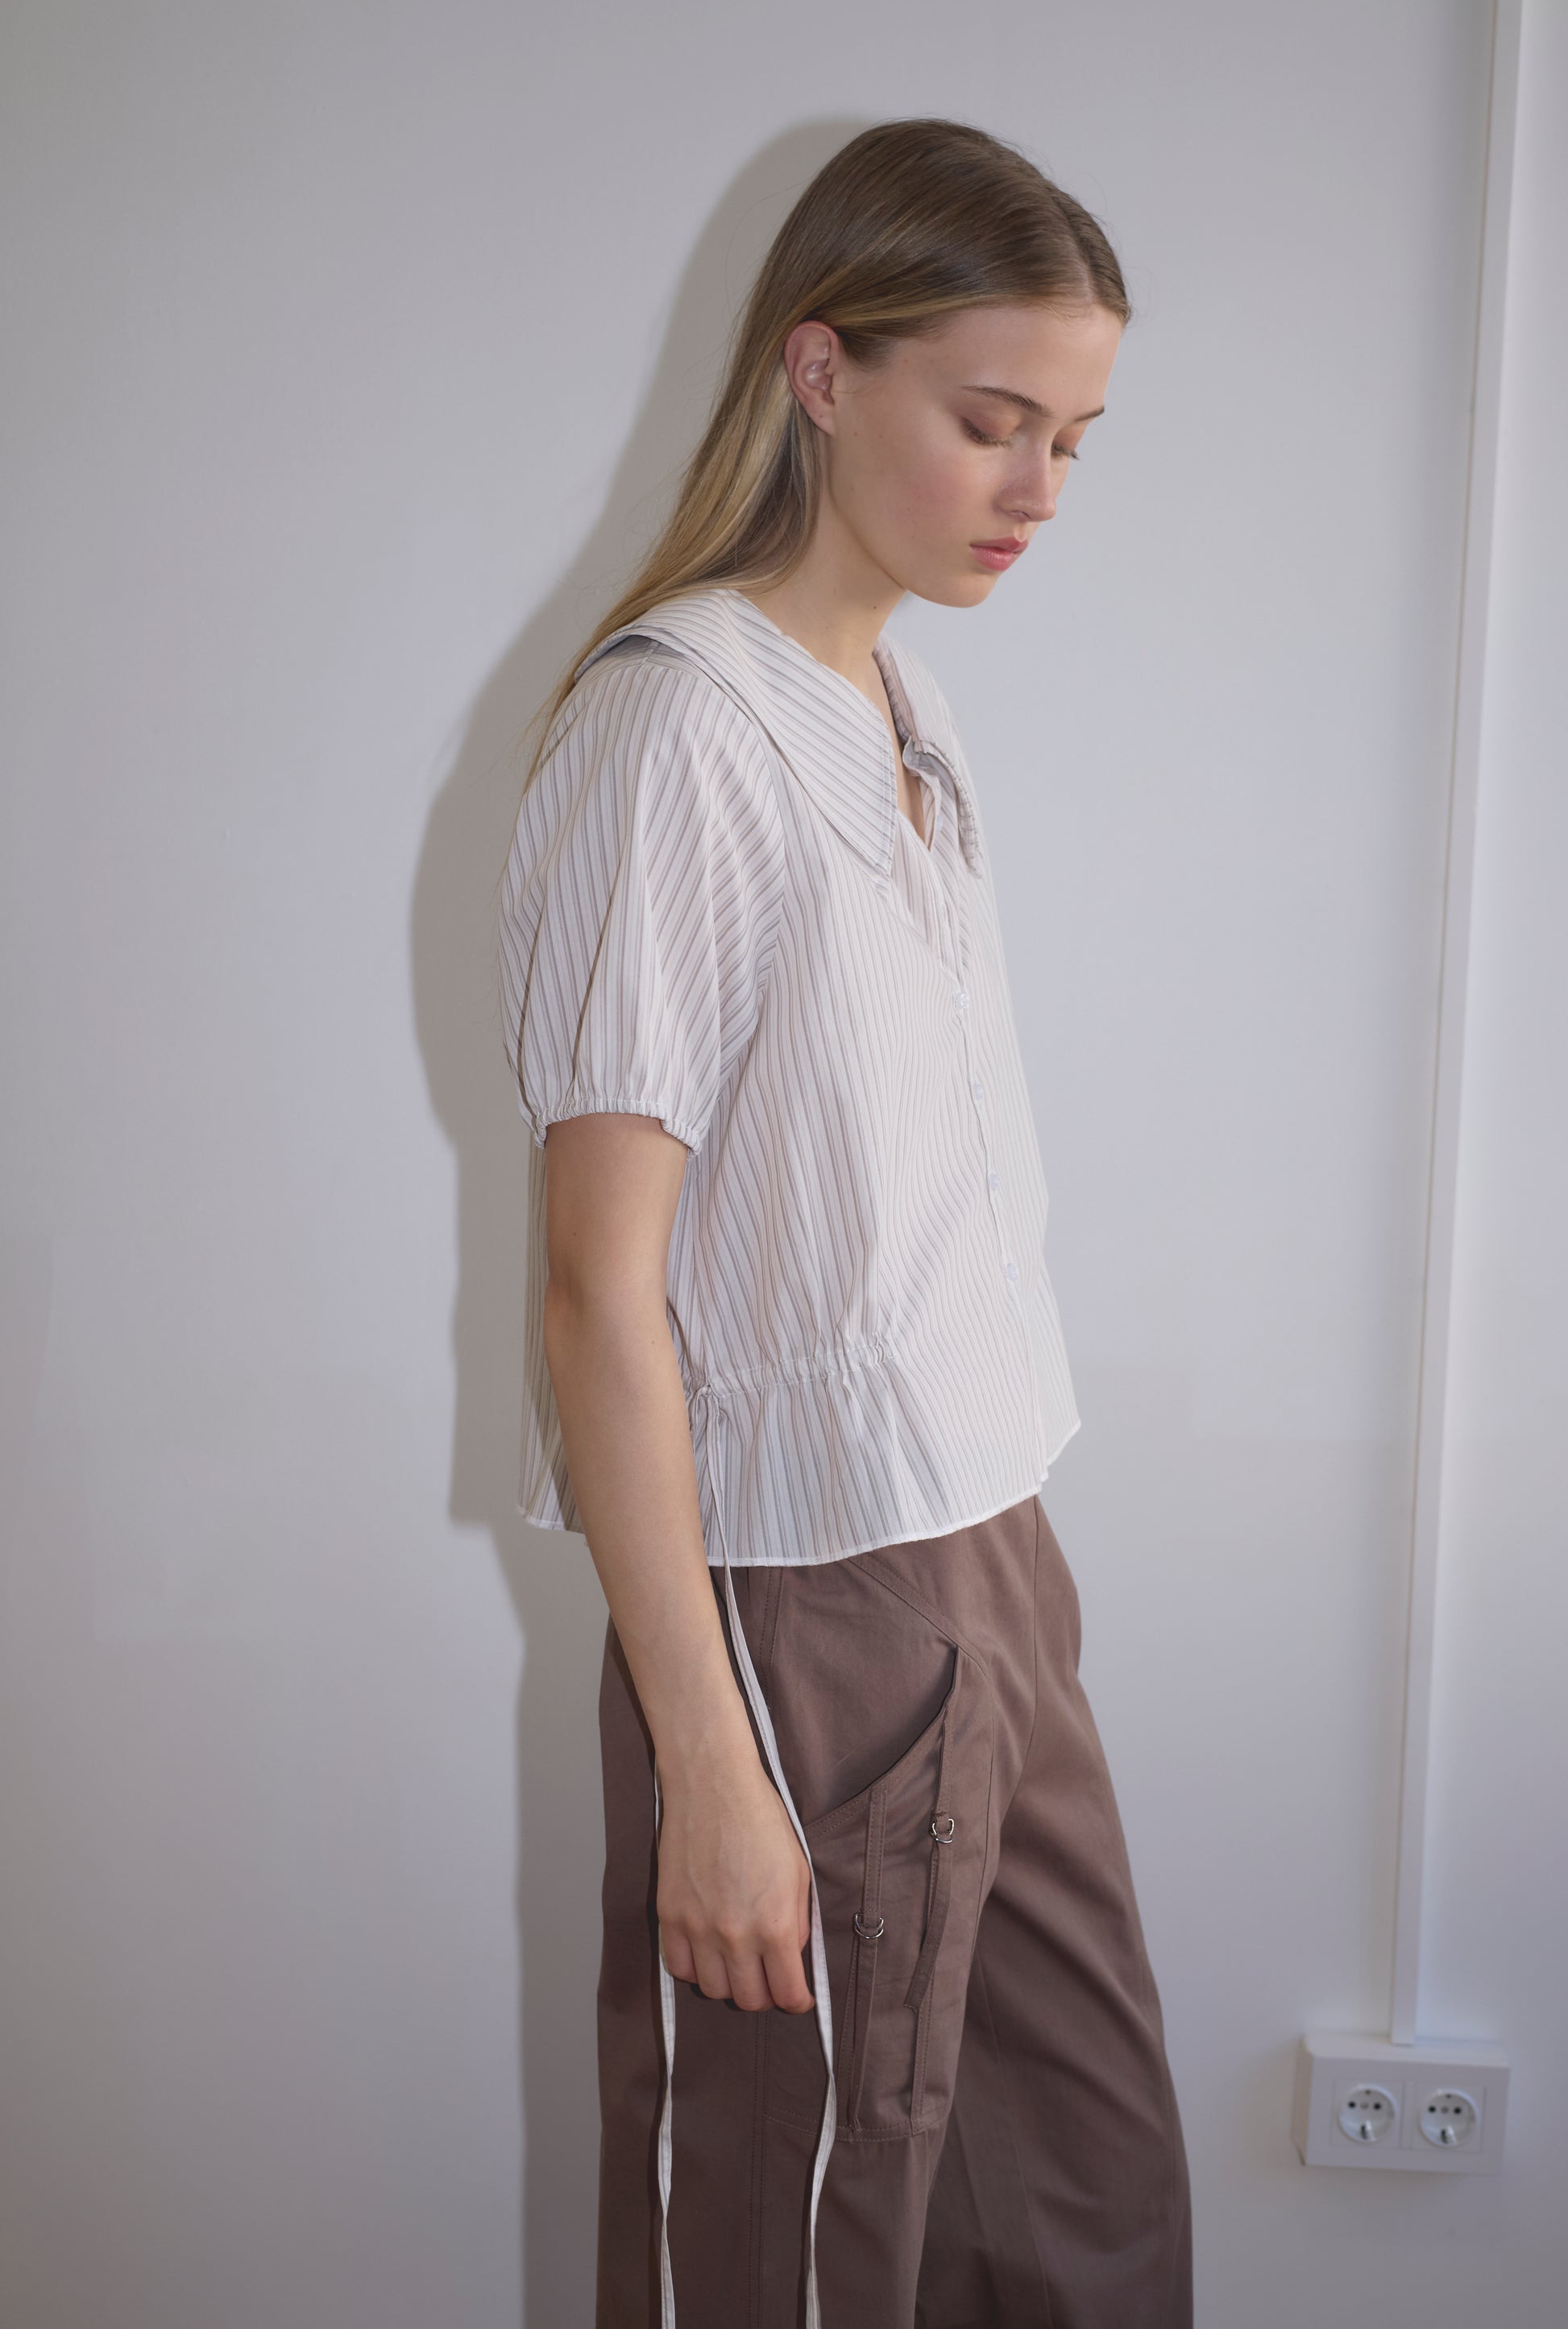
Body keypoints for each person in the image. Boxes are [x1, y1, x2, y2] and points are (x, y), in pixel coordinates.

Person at [496, 117, 1192, 2329]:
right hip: (806, 1606)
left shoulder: (894, 703)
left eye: (1071, 443)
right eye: (989, 421)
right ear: (817, 369)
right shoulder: (676, 734)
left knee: (1071, 2215)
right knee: (807, 2252)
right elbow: (598, 1290)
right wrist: (713, 1761)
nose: (1034, 495)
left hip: (988, 1558)